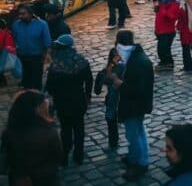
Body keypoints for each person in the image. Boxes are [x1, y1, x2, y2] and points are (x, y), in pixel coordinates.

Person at [44, 34, 93, 165]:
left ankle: (64, 155)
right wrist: (88, 96)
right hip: (78, 100)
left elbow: (50, 86)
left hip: (62, 102)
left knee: (65, 129)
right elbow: (89, 80)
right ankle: (79, 155)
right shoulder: (82, 61)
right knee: (79, 128)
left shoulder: (56, 66)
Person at [112, 29, 154, 181]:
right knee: (138, 131)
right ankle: (136, 157)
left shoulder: (138, 62)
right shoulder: (135, 56)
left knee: (133, 135)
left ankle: (140, 163)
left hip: (134, 104)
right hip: (137, 104)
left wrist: (120, 84)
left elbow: (138, 89)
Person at [0, 89, 63, 185]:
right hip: (46, 178)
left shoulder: (9, 132)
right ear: (38, 109)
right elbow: (58, 156)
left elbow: (7, 158)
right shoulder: (49, 132)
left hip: (19, 179)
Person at [11, 3, 51, 90]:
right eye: (19, 14)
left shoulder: (42, 24)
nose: (20, 16)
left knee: (36, 81)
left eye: (23, 14)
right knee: (26, 81)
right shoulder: (16, 25)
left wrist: (44, 57)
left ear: (30, 13)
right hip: (22, 57)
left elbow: (47, 43)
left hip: (37, 57)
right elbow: (14, 39)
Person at [93, 47, 124, 150]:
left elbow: (97, 89)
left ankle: (113, 141)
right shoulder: (113, 69)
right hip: (114, 100)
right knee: (112, 118)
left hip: (114, 101)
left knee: (111, 118)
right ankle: (113, 141)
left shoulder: (111, 69)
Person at [151, 0, 181, 71]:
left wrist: (163, 7)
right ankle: (163, 62)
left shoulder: (174, 3)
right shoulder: (162, 1)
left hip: (167, 31)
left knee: (165, 49)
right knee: (160, 49)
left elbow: (170, 17)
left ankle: (168, 63)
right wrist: (156, 6)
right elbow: (158, 14)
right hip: (160, 30)